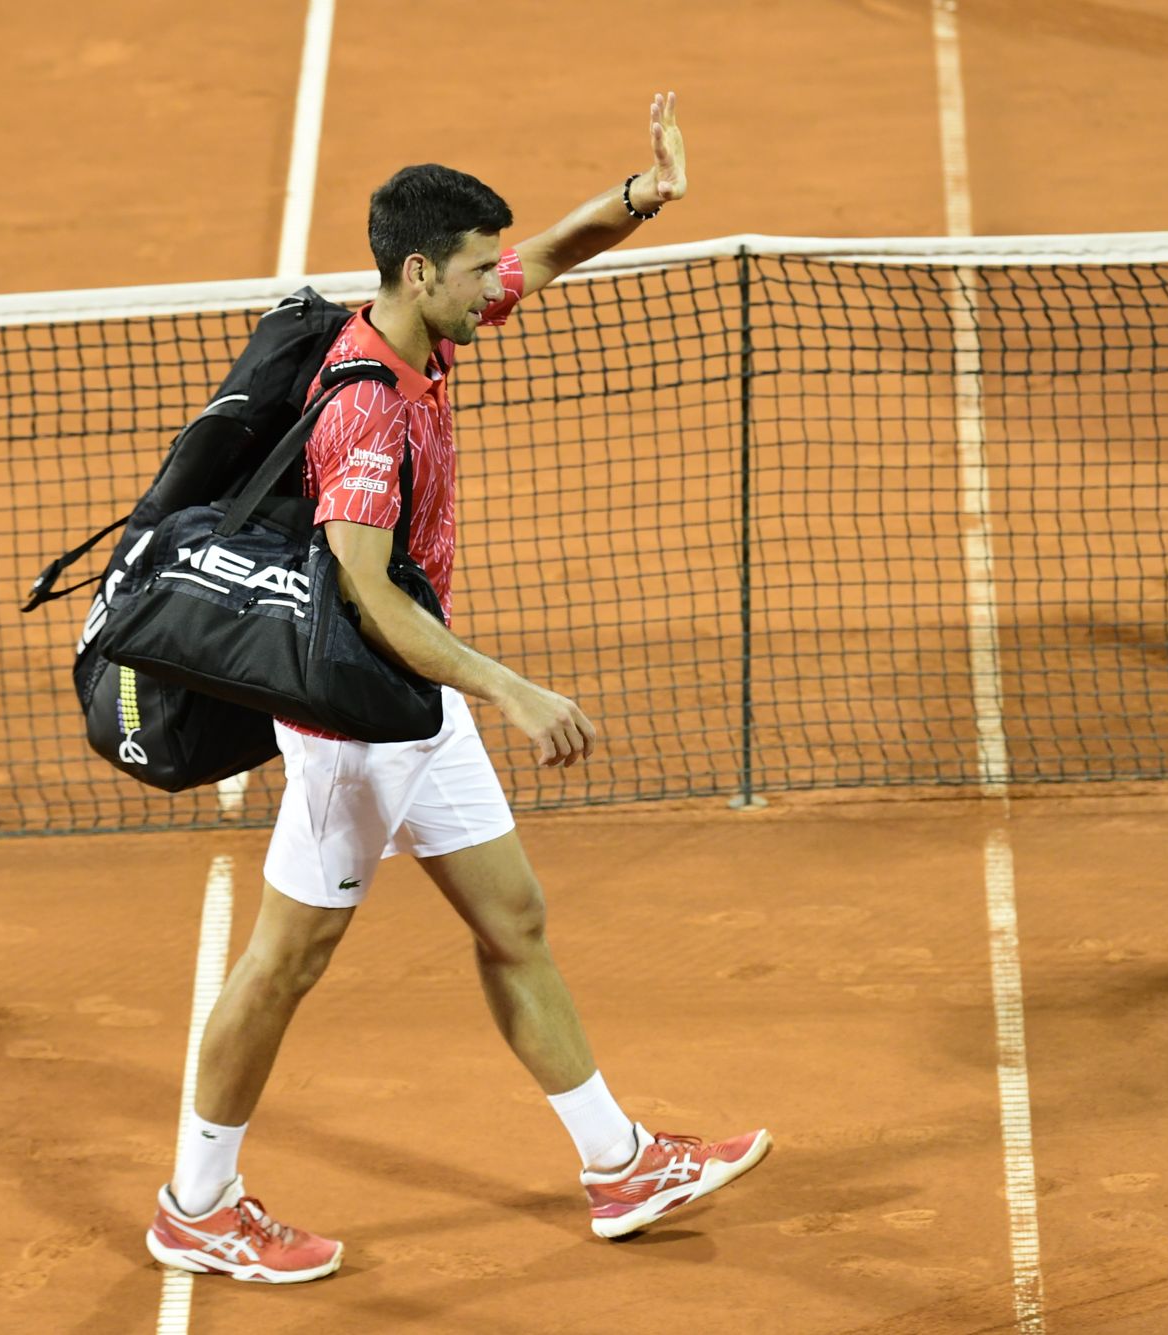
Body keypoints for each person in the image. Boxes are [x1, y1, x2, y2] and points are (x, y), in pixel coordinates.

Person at [146, 92, 769, 1285]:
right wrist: (508, 690)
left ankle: (618, 1164)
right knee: (282, 967)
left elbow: (550, 252)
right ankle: (195, 1205)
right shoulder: (364, 410)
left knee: (511, 921)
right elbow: (369, 596)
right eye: (477, 271)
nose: (497, 287)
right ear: (420, 271)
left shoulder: (424, 328)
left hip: (410, 703)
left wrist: (640, 198)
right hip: (352, 722)